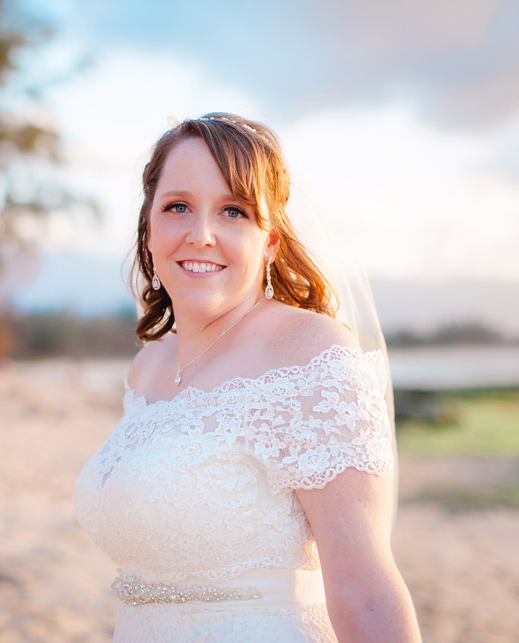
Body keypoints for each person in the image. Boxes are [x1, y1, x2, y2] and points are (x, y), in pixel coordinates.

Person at [73, 112, 422, 642]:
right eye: (178, 207)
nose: (201, 234)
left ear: (271, 243)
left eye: (233, 211)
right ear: (149, 228)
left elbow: (366, 591)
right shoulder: (148, 366)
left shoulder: (309, 353)